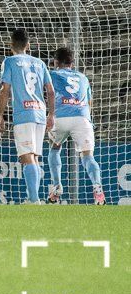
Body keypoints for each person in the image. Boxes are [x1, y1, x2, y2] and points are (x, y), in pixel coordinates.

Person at [0, 28, 55, 204]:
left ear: (10, 45)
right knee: (34, 157)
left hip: (24, 113)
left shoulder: (9, 61)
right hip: (40, 113)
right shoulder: (40, 63)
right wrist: (51, 114)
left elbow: (4, 89)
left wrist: (0, 115)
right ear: (28, 45)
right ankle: (32, 198)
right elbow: (51, 92)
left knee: (26, 157)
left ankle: (35, 199)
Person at [46, 47, 105, 205]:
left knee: (54, 149)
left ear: (55, 62)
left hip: (61, 117)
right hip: (82, 118)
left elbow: (49, 93)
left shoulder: (52, 74)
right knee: (88, 157)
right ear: (72, 63)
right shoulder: (83, 77)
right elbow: (89, 102)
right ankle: (98, 189)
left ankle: (57, 188)